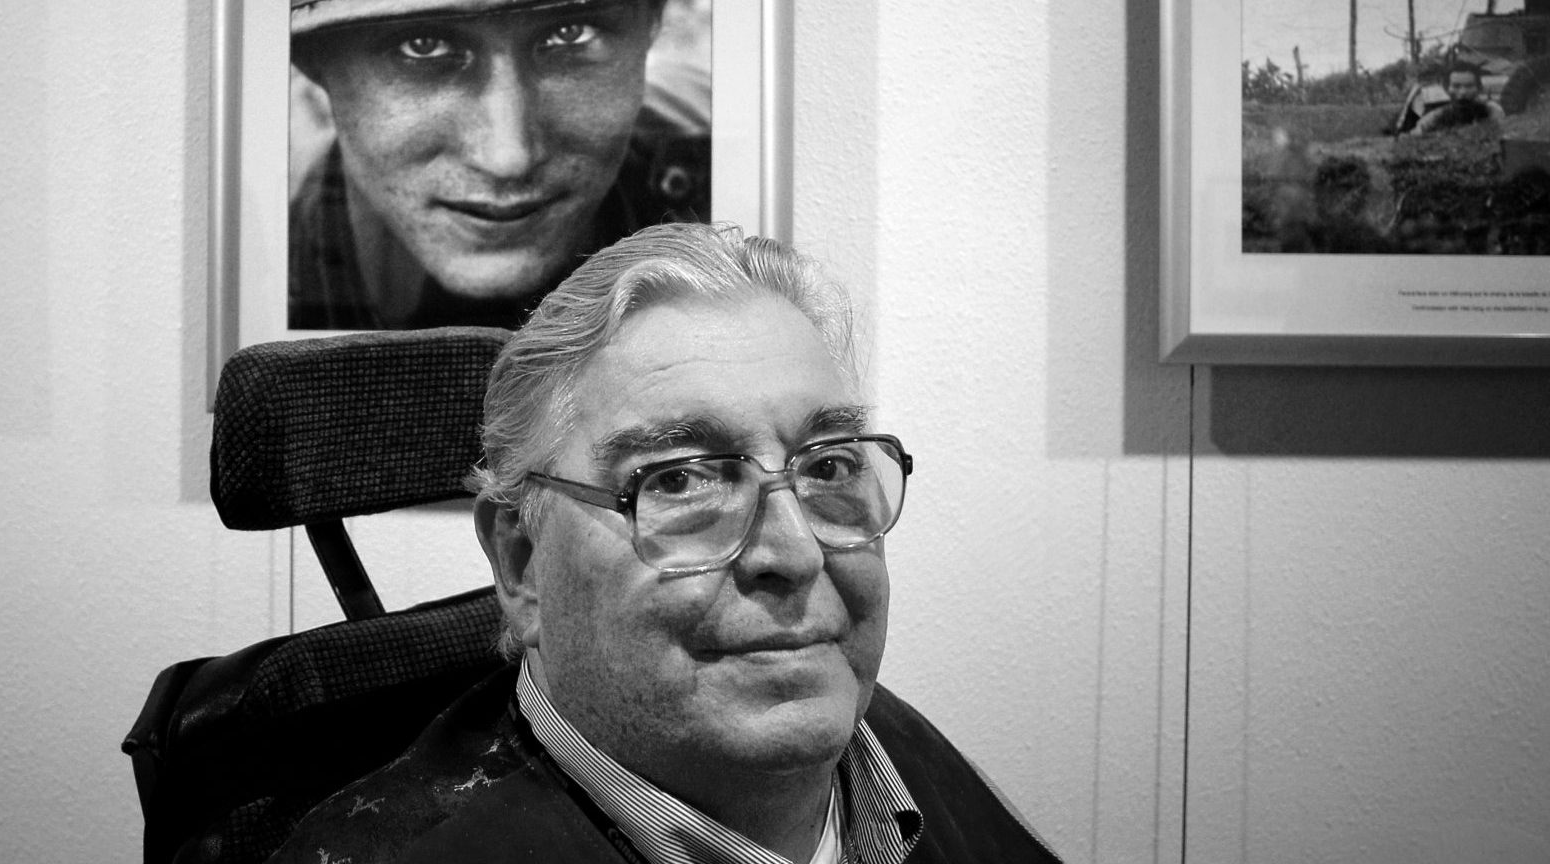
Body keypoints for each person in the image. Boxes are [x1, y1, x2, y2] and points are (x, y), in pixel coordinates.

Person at [268, 223, 1062, 864]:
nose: (795, 554)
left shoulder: (894, 746)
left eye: (829, 466)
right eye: (681, 480)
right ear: (522, 562)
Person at [286, 0, 714, 332]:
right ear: (310, 58)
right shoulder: (273, 269)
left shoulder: (716, 184)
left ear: (653, 20)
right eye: (423, 47)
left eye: (570, 34)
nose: (508, 157)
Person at [1411, 63, 1502, 135]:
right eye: (1456, 86)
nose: (1463, 92)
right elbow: (1414, 139)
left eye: (1469, 86)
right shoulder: (1432, 120)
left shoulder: (1492, 112)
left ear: (1479, 88)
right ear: (1446, 89)